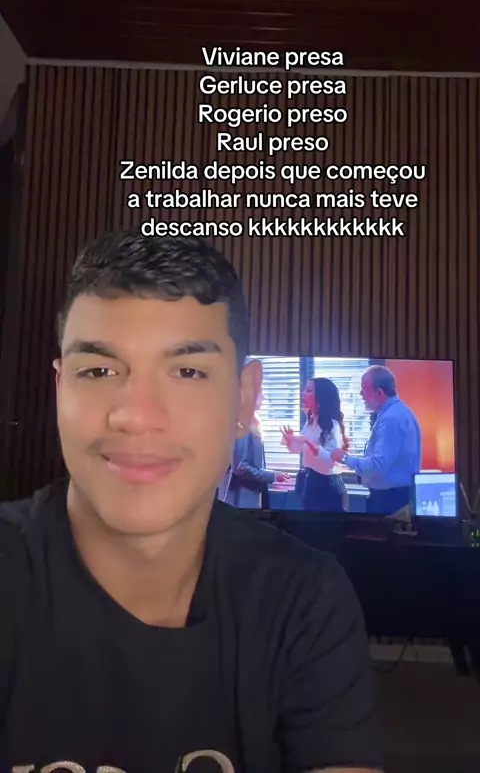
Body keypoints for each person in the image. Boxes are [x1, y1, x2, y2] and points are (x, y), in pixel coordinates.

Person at [0, 227, 383, 773]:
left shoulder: (302, 599)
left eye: (187, 371)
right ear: (61, 388)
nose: (136, 416)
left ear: (244, 400)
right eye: (99, 370)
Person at [331, 365, 422, 515]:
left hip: (390, 501)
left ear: (379, 392)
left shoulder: (391, 419)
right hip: (395, 498)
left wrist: (345, 458)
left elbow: (378, 466)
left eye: (363, 389)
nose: (360, 393)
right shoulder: (399, 413)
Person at [281, 377, 349, 513]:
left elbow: (330, 461)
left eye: (309, 390)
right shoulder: (310, 422)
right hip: (311, 482)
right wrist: (290, 440)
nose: (303, 393)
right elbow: (300, 448)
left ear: (320, 397)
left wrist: (307, 441)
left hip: (328, 485)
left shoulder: (332, 425)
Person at [223, 390, 290, 510]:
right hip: (242, 500)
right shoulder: (242, 424)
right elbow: (240, 467)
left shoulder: (253, 422)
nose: (263, 397)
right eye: (260, 393)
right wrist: (272, 476)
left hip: (252, 497)